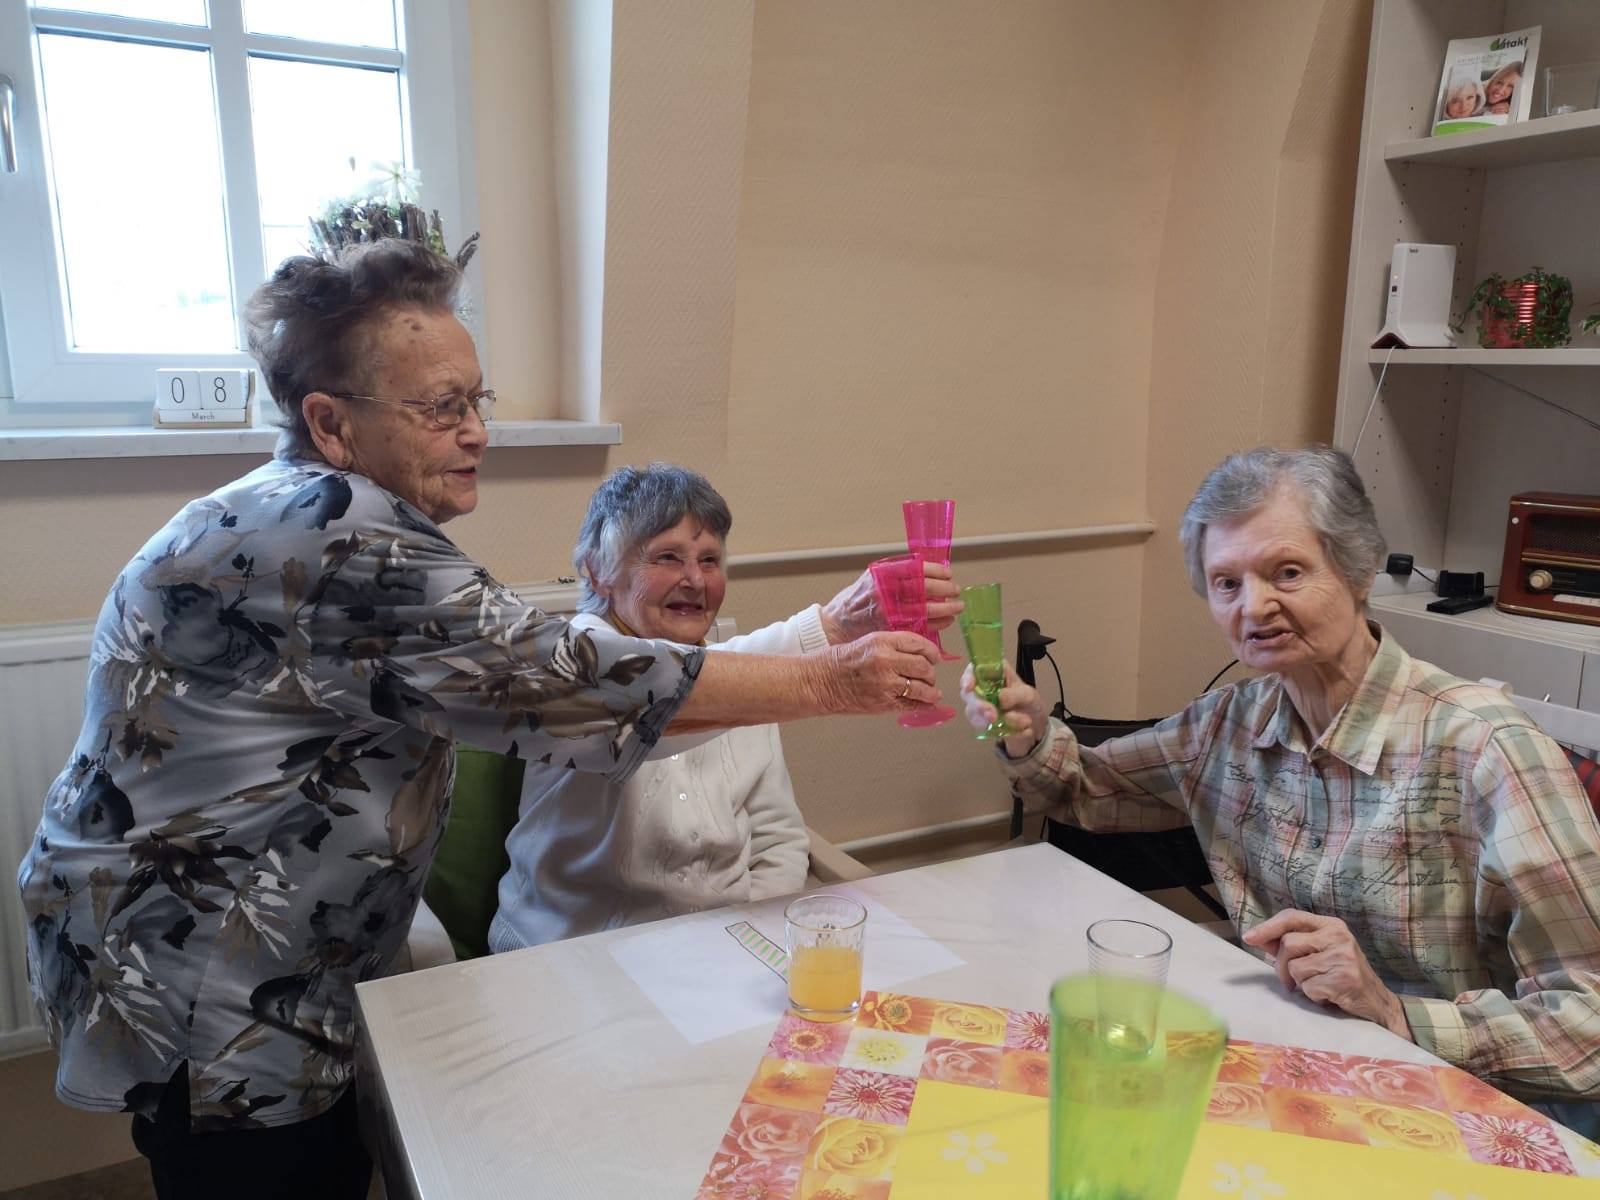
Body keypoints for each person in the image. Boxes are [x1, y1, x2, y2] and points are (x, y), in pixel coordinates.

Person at [16, 240, 941, 1199]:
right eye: (441, 408)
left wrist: (827, 632)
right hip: (214, 976)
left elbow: (552, 673)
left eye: (477, 400)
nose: (477, 433)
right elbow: (568, 684)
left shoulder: (301, 505)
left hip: (256, 956)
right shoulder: (338, 534)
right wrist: (833, 679)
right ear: (331, 422)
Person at [963, 445, 1600, 1134]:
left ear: (1358, 570)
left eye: (1287, 572)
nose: (1254, 606)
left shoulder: (1487, 751)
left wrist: (1392, 1011)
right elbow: (1083, 789)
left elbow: (1588, 1031)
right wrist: (1026, 732)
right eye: (1225, 583)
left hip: (1465, 1111)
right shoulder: (1231, 724)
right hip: (1296, 1076)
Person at [490, 464, 957, 950]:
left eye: (710, 560)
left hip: (723, 948)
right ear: (597, 571)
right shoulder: (571, 657)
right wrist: (831, 631)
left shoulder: (745, 674)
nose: (695, 579)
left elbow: (778, 840)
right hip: (574, 952)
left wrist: (752, 941)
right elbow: (648, 699)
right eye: (667, 557)